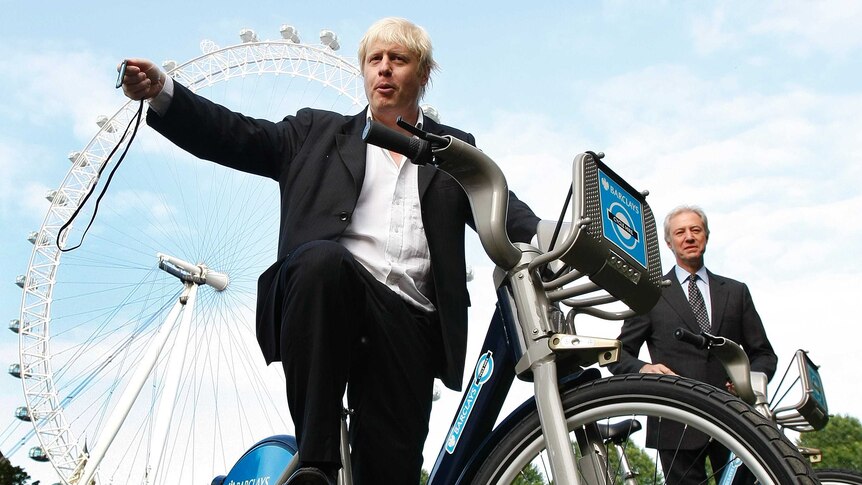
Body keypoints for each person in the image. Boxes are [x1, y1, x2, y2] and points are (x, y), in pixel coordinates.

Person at [120, 17, 539, 485]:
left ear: (423, 74)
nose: (384, 69)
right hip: (331, 298)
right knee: (322, 261)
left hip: (413, 327)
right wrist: (163, 94)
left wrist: (560, 242)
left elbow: (507, 212)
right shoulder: (312, 133)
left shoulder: (454, 151)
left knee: (390, 472)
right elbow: (234, 134)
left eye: (398, 60)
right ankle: (316, 467)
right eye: (374, 60)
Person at [608, 205, 777, 484]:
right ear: (669, 242)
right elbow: (618, 354)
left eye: (695, 230)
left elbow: (764, 354)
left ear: (706, 237)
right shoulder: (651, 293)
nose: (689, 237)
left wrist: (748, 381)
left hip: (735, 419)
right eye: (680, 232)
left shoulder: (736, 292)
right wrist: (645, 369)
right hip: (675, 421)